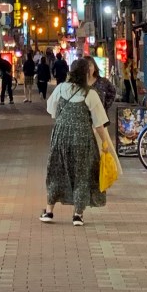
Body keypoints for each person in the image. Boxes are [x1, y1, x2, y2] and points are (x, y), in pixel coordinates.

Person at [40, 57, 111, 227]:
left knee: (56, 170)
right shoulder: (90, 94)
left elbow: (52, 110)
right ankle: (77, 215)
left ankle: (49, 211)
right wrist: (105, 142)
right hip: (82, 137)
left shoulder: (61, 88)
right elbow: (99, 123)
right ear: (86, 74)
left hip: (61, 136)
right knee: (82, 173)